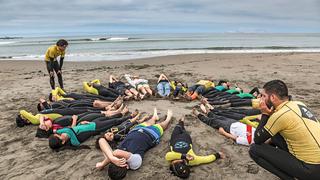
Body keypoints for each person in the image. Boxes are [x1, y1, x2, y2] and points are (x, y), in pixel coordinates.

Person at [249, 80, 320, 180]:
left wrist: (265, 114)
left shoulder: (280, 115)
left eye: (264, 96)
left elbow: (257, 139)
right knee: (276, 133)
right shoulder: (298, 104)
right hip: (316, 162)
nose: (261, 99)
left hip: (310, 168)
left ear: (273, 97)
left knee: (254, 150)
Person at [95, 108, 173, 179]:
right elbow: (116, 152)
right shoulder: (135, 163)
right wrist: (111, 158)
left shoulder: (113, 157)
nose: (117, 159)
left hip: (136, 130)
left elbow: (101, 140)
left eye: (114, 161)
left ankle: (154, 117)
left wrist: (105, 162)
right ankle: (168, 118)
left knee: (148, 122)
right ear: (126, 166)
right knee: (162, 125)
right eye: (118, 161)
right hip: (151, 135)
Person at [48, 112, 135, 151]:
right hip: (96, 128)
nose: (59, 134)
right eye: (59, 136)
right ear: (63, 142)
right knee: (114, 122)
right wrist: (73, 125)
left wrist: (80, 124)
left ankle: (123, 112)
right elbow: (71, 130)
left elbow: (73, 129)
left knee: (109, 118)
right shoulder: (74, 142)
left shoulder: (62, 132)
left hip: (90, 123)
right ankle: (130, 117)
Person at [193, 108, 258, 145]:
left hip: (229, 128)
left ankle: (199, 115)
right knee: (220, 117)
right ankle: (209, 113)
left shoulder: (251, 141)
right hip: (235, 123)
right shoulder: (258, 132)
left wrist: (224, 133)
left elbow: (236, 138)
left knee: (213, 121)